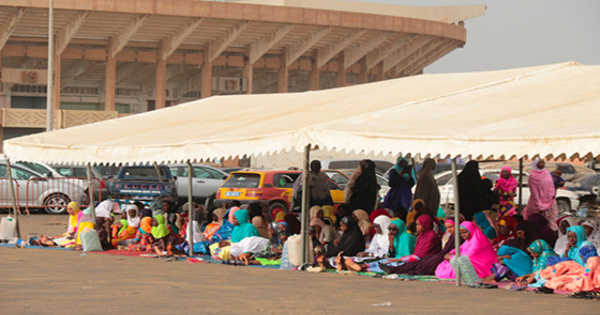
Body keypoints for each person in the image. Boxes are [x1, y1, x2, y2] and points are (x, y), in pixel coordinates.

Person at [381, 218, 462, 275]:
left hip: (435, 257)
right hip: (425, 257)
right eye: (447, 228)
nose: (448, 230)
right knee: (416, 264)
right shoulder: (421, 236)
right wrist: (391, 243)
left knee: (419, 265)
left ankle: (394, 269)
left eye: (419, 224)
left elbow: (423, 253)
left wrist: (400, 259)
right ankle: (392, 269)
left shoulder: (432, 236)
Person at [523, 158, 557, 230]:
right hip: (538, 202)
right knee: (538, 222)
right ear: (535, 164)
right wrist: (539, 204)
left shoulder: (546, 172)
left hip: (550, 200)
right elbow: (534, 190)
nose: (542, 164)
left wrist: (552, 196)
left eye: (543, 162)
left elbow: (551, 185)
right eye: (539, 162)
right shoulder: (532, 175)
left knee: (551, 222)